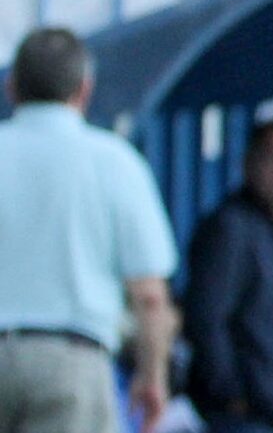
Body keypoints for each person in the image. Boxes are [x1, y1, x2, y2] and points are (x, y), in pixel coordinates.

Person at [0, 28, 179, 433]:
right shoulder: (115, 162)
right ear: (84, 89)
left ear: (11, 88)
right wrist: (153, 377)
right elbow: (150, 297)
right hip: (72, 366)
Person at [183, 120, 273, 433]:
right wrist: (232, 394)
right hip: (241, 416)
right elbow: (206, 317)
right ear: (249, 164)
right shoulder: (229, 228)